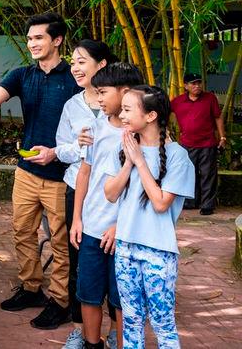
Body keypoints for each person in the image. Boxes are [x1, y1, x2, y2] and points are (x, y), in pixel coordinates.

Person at [0, 12, 80, 329]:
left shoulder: (75, 78)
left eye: (39, 38)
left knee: (60, 242)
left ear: (57, 40)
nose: (32, 43)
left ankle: (60, 301)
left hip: (63, 175)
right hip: (26, 171)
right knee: (23, 232)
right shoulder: (22, 75)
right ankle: (32, 287)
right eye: (30, 38)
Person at [104, 86, 195, 348]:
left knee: (163, 323)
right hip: (125, 247)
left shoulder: (178, 156)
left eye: (127, 109)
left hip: (159, 252)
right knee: (131, 322)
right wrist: (129, 162)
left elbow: (160, 203)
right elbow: (110, 194)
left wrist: (140, 161)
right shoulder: (124, 148)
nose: (121, 115)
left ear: (151, 115)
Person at [70, 63, 143, 349]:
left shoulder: (139, 134)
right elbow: (85, 172)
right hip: (91, 227)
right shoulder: (96, 127)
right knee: (88, 293)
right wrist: (77, 218)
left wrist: (120, 225)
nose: (98, 99)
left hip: (124, 233)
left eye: (102, 92)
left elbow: (141, 190)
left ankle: (119, 340)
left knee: (121, 297)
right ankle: (91, 343)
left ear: (125, 92)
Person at [52, 42, 118, 348]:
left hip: (114, 198)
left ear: (101, 65)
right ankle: (81, 331)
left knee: (119, 265)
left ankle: (119, 330)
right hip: (78, 191)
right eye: (73, 63)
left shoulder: (126, 104)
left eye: (82, 62)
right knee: (79, 261)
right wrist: (79, 145)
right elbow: (61, 150)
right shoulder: (71, 106)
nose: (75, 68)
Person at [170, 73, 226, 215]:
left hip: (207, 143)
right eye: (193, 83)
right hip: (186, 143)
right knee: (188, 173)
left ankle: (208, 205)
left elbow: (218, 117)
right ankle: (190, 201)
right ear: (185, 85)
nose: (197, 86)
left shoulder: (210, 98)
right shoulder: (177, 101)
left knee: (208, 174)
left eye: (199, 83)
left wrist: (222, 137)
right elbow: (163, 113)